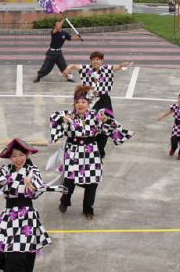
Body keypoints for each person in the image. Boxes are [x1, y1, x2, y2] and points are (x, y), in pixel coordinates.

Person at [0, 138, 65, 272]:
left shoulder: (33, 171)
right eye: (14, 156)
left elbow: (38, 187)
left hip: (26, 216)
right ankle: (15, 269)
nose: (18, 159)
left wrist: (31, 184)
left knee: (18, 251)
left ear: (27, 155)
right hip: (8, 215)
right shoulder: (5, 169)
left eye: (21, 155)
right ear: (10, 157)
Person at [50, 85, 133, 219]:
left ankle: (88, 208)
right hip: (73, 152)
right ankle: (65, 201)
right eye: (77, 102)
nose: (80, 104)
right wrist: (63, 120)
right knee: (69, 179)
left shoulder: (96, 116)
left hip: (91, 152)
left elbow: (111, 128)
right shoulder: (69, 115)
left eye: (83, 102)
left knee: (92, 182)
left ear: (88, 103)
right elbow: (54, 118)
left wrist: (107, 120)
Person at [62, 51, 133, 156]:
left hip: (104, 100)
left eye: (98, 59)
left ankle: (100, 149)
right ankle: (88, 148)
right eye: (93, 60)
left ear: (102, 61)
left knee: (105, 123)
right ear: (91, 61)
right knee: (89, 123)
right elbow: (73, 66)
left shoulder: (107, 68)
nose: (95, 61)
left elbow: (118, 67)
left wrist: (122, 65)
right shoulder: (86, 68)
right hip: (90, 100)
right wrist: (67, 69)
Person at [158, 91, 180, 159]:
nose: (179, 100)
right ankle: (173, 149)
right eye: (179, 98)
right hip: (176, 128)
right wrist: (162, 117)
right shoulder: (175, 107)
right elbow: (169, 112)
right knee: (174, 141)